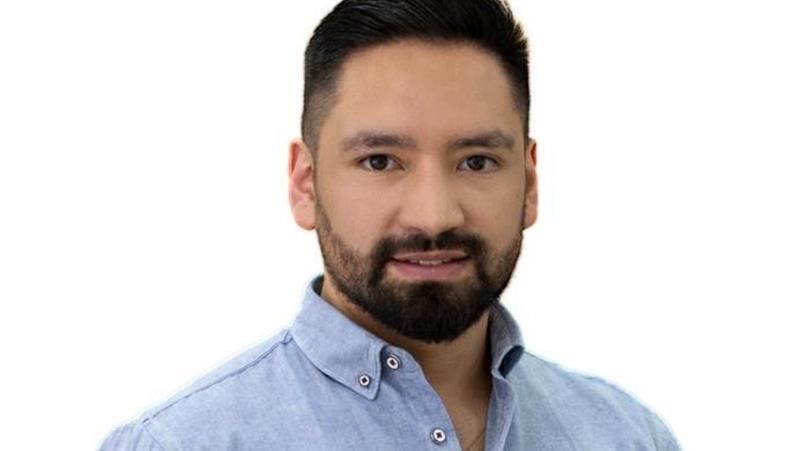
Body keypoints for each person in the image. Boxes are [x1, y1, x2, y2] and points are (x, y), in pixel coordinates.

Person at [100, 0, 681, 449]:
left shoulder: (629, 437)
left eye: (477, 161)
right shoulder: (179, 443)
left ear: (529, 184)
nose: (434, 216)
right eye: (380, 161)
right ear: (305, 184)